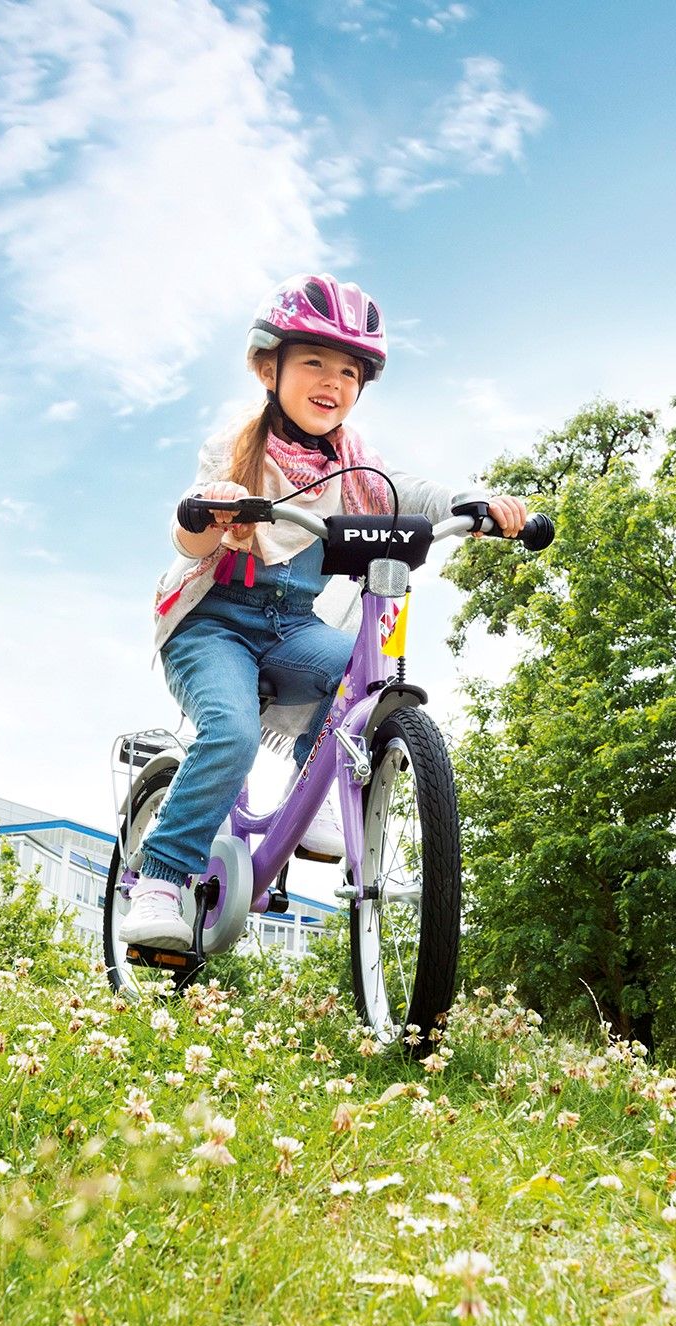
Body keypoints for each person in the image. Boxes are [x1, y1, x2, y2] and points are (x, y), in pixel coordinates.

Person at [122, 273, 527, 949]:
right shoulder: (237, 450)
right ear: (267, 365)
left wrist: (475, 505)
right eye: (313, 361)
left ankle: (319, 800)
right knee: (230, 735)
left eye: (348, 370)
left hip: (292, 627)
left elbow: (409, 492)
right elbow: (188, 533)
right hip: (214, 624)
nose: (331, 381)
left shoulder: (353, 465)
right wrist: (212, 511)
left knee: (363, 677)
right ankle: (161, 877)